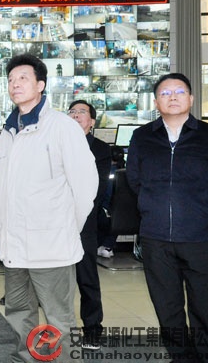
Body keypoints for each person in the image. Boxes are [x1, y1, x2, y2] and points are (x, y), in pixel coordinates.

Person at [0, 54, 98, 363]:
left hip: (51, 247)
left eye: (23, 78)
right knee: (19, 312)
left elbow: (86, 187)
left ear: (41, 85)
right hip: (15, 245)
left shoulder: (62, 127)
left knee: (58, 320)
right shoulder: (9, 130)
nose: (15, 84)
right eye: (11, 80)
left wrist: (65, 227)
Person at [127, 73, 208, 362]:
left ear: (191, 99)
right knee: (167, 309)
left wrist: (206, 208)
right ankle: (181, 358)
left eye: (179, 92)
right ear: (156, 102)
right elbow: (134, 180)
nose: (172, 97)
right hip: (156, 238)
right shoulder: (142, 137)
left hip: (201, 237)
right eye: (165, 93)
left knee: (206, 309)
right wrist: (153, 206)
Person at [67, 100, 111, 350]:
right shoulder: (58, 144)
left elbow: (97, 188)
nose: (76, 115)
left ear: (92, 121)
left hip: (85, 220)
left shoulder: (100, 149)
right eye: (72, 112)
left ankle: (93, 329)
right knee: (56, 280)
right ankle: (59, 329)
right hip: (57, 221)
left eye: (81, 112)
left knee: (87, 278)